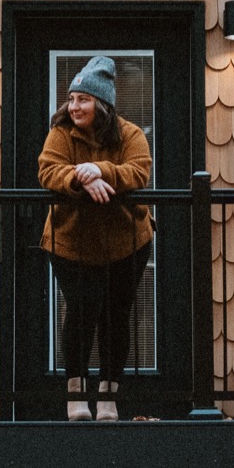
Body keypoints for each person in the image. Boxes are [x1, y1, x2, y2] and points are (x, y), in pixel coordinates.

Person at [37, 55, 152, 422]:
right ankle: (75, 397)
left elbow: (139, 171)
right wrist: (79, 178)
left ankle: (107, 397)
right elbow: (48, 170)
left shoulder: (129, 134)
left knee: (115, 317)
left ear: (101, 104)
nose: (74, 107)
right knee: (81, 313)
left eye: (82, 100)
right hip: (71, 241)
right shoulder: (61, 133)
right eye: (71, 100)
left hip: (126, 241)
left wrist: (99, 169)